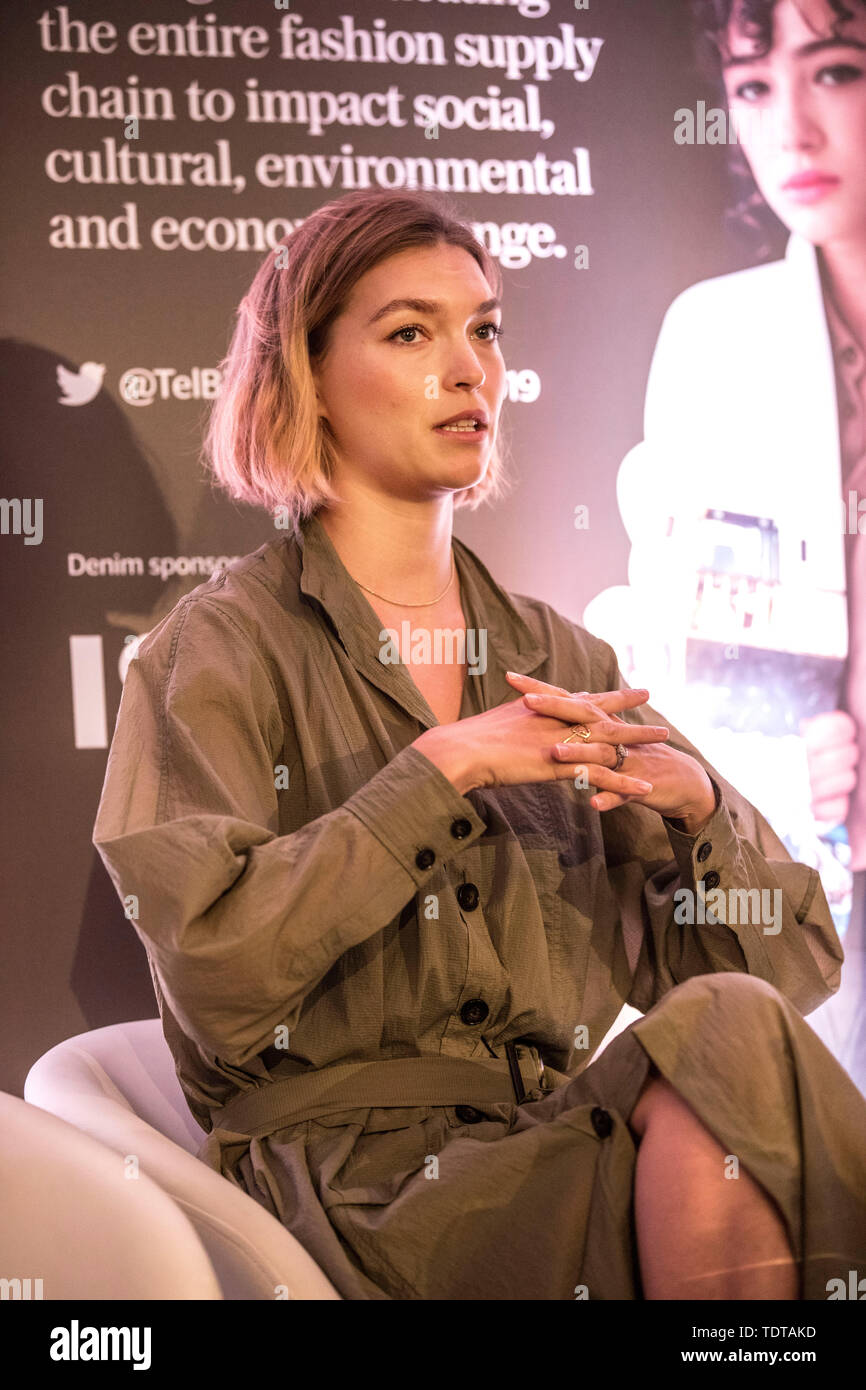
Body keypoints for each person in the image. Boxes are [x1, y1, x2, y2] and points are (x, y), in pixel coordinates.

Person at [92, 187, 866, 1301]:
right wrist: (439, 771)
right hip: (353, 1203)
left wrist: (701, 816)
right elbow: (217, 978)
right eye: (410, 331)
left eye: (484, 329)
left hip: (547, 1146)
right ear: (307, 374)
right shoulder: (210, 652)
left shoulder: (564, 660)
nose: (469, 370)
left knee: (736, 1037)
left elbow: (781, 972)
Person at [585, 0, 866, 1090]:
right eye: (751, 87)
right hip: (803, 875)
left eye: (834, 72)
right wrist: (778, 764)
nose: (787, 127)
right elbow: (667, 654)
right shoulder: (715, 336)